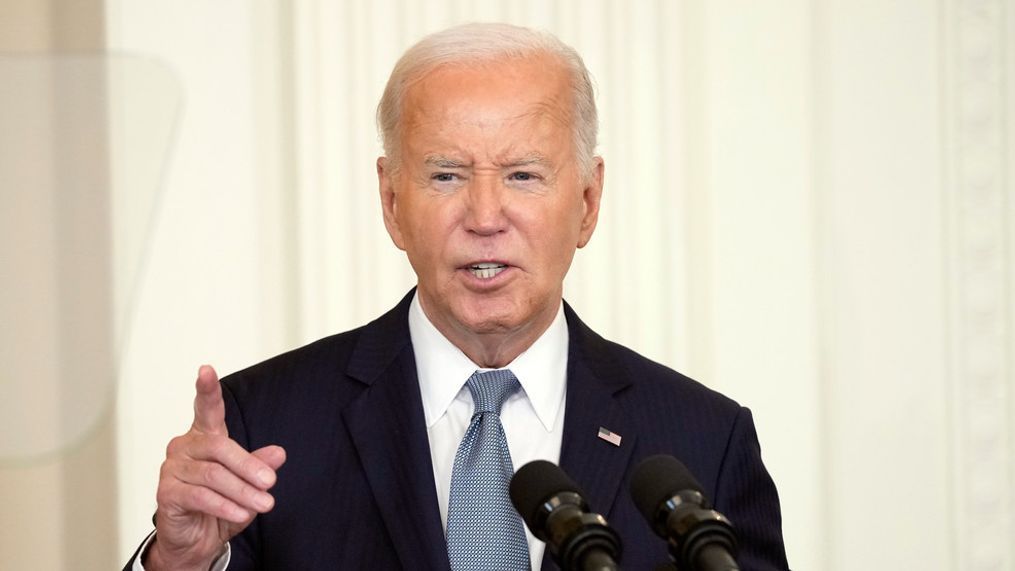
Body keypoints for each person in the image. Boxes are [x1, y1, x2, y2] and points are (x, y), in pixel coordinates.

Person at [125, 23, 788, 570]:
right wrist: (177, 562)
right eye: (446, 174)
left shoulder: (703, 441)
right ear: (391, 202)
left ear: (587, 202)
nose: (484, 214)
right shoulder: (263, 432)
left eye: (523, 175)